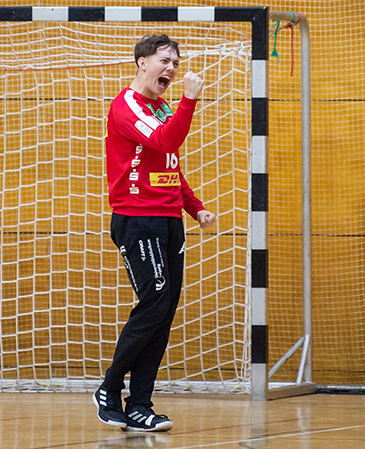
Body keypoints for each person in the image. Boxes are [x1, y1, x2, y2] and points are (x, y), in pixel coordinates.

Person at [93, 34, 216, 432]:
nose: (172, 69)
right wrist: (190, 100)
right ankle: (110, 389)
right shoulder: (125, 106)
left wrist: (194, 208)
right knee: (154, 302)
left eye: (176, 63)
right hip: (137, 219)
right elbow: (166, 138)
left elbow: (169, 165)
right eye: (165, 60)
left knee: (163, 314)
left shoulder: (162, 106)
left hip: (168, 222)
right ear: (142, 62)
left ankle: (140, 404)